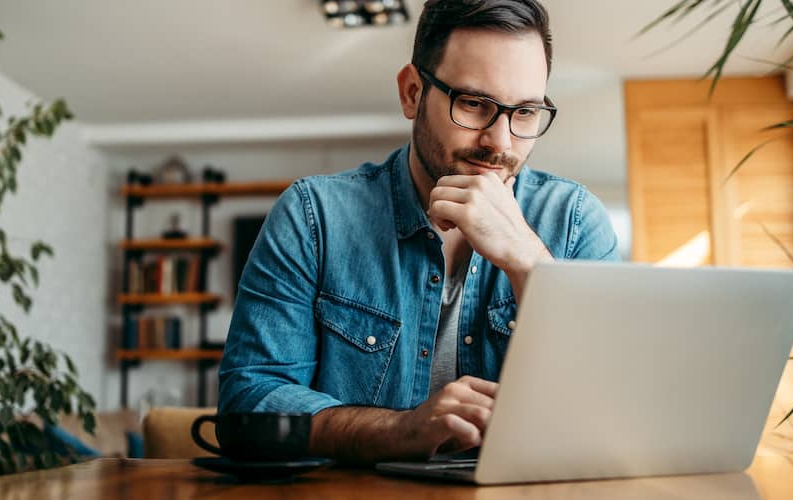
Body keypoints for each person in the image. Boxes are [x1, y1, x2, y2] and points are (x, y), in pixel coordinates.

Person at [217, 0, 618, 464]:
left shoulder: (574, 221)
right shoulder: (314, 216)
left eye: (525, 112)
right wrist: (400, 430)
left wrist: (529, 265)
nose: (501, 142)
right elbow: (249, 402)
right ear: (412, 93)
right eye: (473, 103)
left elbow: (613, 412)